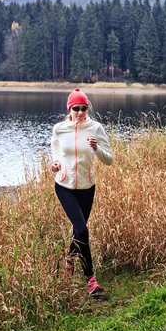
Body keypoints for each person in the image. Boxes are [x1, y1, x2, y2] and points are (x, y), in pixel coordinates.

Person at [50, 88, 113, 296]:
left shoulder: (96, 128)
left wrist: (96, 149)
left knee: (79, 231)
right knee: (83, 230)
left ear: (88, 108)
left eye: (83, 108)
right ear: (69, 109)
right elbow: (56, 152)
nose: (80, 112)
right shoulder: (59, 129)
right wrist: (56, 163)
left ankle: (69, 260)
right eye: (76, 108)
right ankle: (91, 280)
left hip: (87, 187)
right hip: (64, 186)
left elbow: (109, 159)